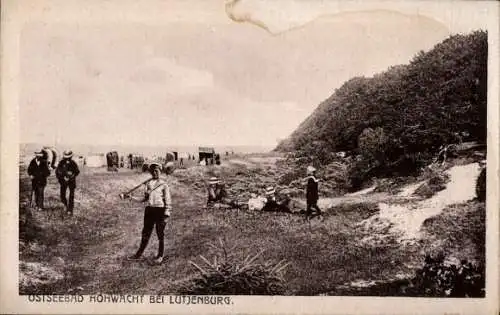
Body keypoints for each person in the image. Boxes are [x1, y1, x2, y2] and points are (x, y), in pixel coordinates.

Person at [126, 163, 171, 264]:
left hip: (160, 211)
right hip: (149, 210)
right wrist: (131, 198)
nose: (155, 173)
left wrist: (166, 214)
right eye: (153, 171)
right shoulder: (148, 184)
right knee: (145, 233)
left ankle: (160, 256)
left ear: (160, 171)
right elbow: (143, 199)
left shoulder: (164, 185)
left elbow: (168, 201)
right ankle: (138, 255)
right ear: (151, 172)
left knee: (160, 234)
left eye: (157, 170)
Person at [55, 150, 80, 215]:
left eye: (69, 157)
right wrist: (63, 177)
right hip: (63, 181)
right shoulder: (61, 163)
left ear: (71, 156)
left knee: (71, 196)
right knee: (62, 195)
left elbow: (77, 171)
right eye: (66, 157)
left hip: (71, 182)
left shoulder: (73, 163)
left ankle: (70, 209)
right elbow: (57, 171)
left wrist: (71, 176)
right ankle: (65, 205)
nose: (67, 158)